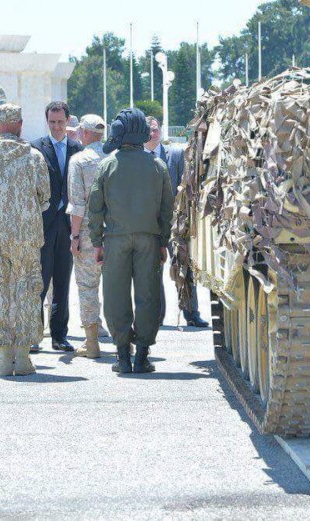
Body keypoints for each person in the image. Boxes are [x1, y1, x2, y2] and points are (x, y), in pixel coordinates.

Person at [89, 108, 173, 375]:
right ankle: (143, 355)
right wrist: (163, 241)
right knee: (148, 295)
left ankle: (123, 355)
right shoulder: (158, 166)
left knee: (115, 295)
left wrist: (96, 242)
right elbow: (166, 209)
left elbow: (95, 208)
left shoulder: (107, 165)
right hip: (149, 239)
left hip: (115, 239)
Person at [0, 103, 50, 376]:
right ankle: (24, 357)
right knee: (27, 290)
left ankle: (2, 358)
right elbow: (44, 198)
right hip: (26, 236)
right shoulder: (33, 158)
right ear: (19, 124)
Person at [144, 116, 208, 328]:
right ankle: (157, 315)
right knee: (153, 271)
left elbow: (186, 188)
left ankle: (191, 313)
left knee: (184, 268)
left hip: (176, 223)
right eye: (148, 130)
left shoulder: (176, 154)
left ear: (160, 131)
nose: (152, 133)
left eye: (155, 129)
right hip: (151, 225)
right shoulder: (140, 158)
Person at [32, 101, 82, 352]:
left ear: (68, 120)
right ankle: (34, 335)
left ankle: (59, 335)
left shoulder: (77, 149)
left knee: (63, 282)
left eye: (61, 122)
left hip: (67, 224)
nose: (56, 127)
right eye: (52, 122)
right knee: (39, 281)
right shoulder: (37, 148)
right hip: (43, 224)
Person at [66, 114, 108, 358]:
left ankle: (91, 341)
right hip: (113, 232)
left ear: (86, 133)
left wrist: (74, 236)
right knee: (114, 286)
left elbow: (77, 203)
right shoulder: (113, 158)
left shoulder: (79, 161)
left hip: (88, 232)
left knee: (87, 286)